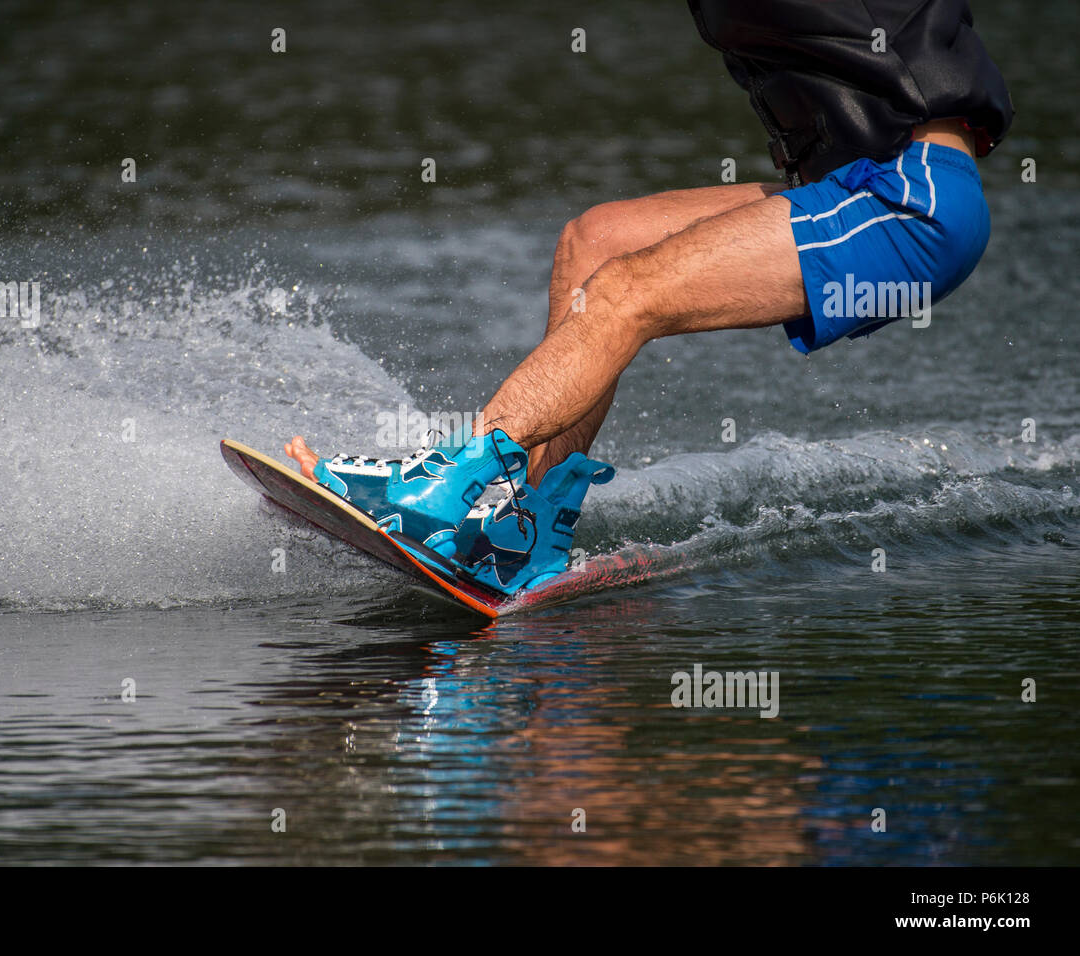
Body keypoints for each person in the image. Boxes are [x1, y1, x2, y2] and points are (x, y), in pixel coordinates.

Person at [286, 0, 1013, 595]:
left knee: (629, 292)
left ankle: (445, 485)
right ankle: (526, 533)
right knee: (598, 242)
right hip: (848, 186)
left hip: (914, 197)